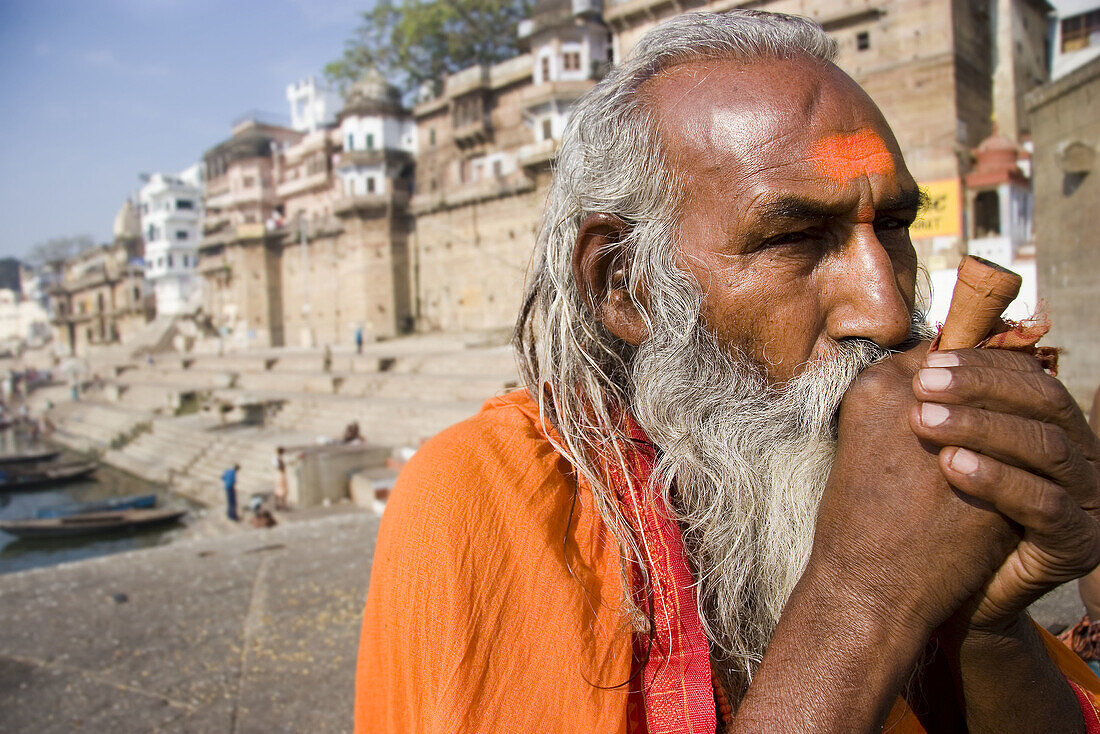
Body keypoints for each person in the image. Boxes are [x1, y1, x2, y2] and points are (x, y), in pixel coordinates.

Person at [355, 11, 1100, 733]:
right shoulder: (484, 498)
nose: (884, 311)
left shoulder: (903, 497)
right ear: (624, 283)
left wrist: (984, 631)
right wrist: (859, 603)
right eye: (796, 239)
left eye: (896, 228)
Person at [273, 446, 289, 511]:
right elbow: (279, 467)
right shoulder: (277, 459)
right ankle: (281, 505)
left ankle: (281, 505)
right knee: (281, 491)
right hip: (280, 474)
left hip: (280, 474)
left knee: (280, 490)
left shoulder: (279, 458)